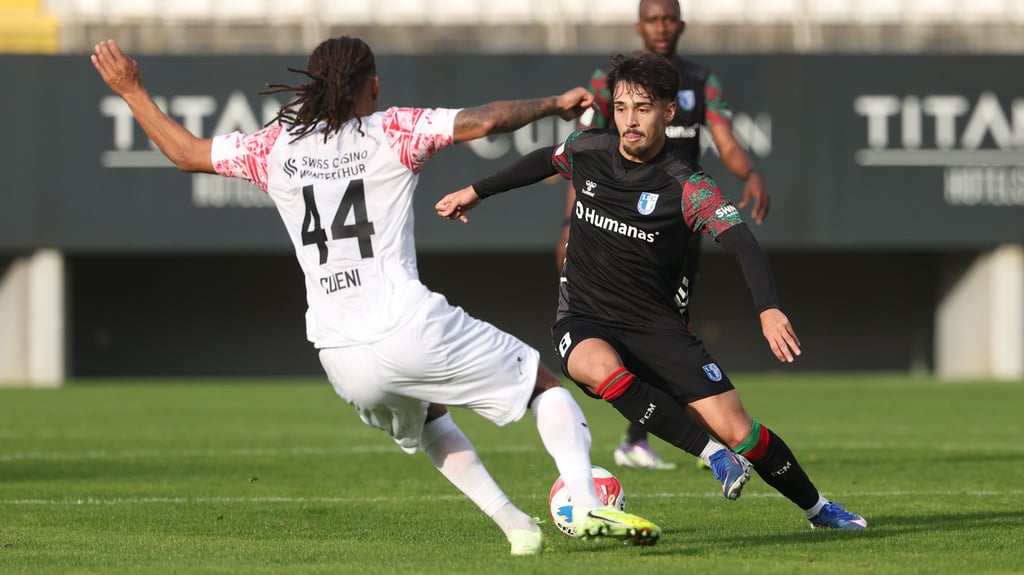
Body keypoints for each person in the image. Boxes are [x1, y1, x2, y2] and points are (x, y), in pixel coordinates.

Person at [90, 36, 662, 555]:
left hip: (339, 354)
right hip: (406, 323)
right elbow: (485, 122)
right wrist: (553, 104)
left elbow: (186, 153)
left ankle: (516, 527)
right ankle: (585, 500)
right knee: (542, 384)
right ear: (371, 86)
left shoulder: (274, 147)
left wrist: (131, 90)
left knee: (430, 414)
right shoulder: (392, 129)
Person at [436, 51, 867, 530]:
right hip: (585, 319)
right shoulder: (588, 149)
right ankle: (711, 455)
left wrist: (768, 309)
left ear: (667, 111)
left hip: (657, 327)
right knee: (599, 369)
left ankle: (818, 509)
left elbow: (742, 242)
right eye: (621, 108)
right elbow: (542, 161)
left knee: (741, 431)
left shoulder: (687, 185)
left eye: (642, 108)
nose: (629, 120)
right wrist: (476, 192)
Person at [557, 0, 770, 471]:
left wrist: (749, 173)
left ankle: (660, 435)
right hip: (624, 219)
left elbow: (726, 139)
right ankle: (654, 437)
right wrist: (571, 224)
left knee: (672, 328)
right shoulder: (611, 83)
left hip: (676, 222)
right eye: (652, 19)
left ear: (681, 25)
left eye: (669, 18)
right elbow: (587, 158)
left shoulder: (700, 81)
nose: (661, 26)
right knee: (658, 327)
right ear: (639, 25)